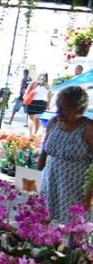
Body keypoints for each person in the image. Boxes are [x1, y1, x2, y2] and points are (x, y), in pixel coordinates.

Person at [38, 86, 93, 222]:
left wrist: (89, 195)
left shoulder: (88, 128)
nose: (58, 111)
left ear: (79, 108)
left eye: (64, 107)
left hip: (75, 189)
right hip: (50, 182)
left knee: (72, 226)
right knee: (45, 222)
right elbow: (45, 148)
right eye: (58, 106)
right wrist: (37, 170)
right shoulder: (54, 123)